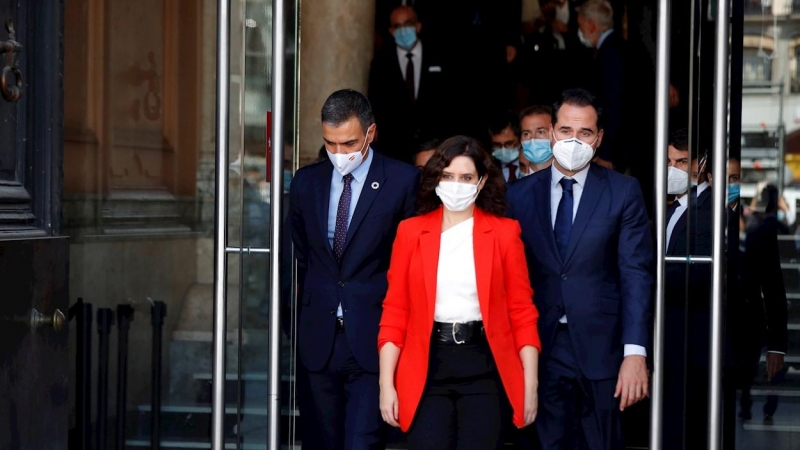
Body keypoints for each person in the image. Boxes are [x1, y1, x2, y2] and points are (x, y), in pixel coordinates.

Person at [507, 88, 653, 450]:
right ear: (552, 132)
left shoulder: (624, 192)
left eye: (585, 133)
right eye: (566, 131)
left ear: (599, 138)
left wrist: (635, 353)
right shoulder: (518, 195)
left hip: (603, 348)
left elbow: (636, 273)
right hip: (539, 347)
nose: (574, 140)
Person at [377, 135, 541, 449]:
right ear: (436, 179)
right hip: (426, 367)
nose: (456, 185)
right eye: (448, 176)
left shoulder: (505, 234)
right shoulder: (410, 232)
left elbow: (522, 311)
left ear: (481, 182)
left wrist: (529, 383)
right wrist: (387, 384)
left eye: (466, 178)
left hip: (484, 366)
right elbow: (395, 311)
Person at [288, 89, 419, 450]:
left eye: (348, 143)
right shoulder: (306, 182)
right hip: (319, 339)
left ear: (370, 133)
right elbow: (302, 252)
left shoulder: (402, 181)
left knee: (362, 441)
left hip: (373, 337)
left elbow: (407, 262)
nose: (339, 154)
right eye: (330, 144)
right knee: (321, 441)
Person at [661, 128, 713, 449]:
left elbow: (697, 276)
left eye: (681, 162)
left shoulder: (708, 211)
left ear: (702, 163)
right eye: (668, 161)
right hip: (672, 336)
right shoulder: (670, 208)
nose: (673, 170)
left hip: (692, 338)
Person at [368, 6, 453, 163]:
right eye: (397, 26)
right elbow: (376, 103)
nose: (403, 30)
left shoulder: (439, 57)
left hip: (436, 143)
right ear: (391, 31)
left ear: (418, 26)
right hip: (395, 147)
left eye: (407, 24)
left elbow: (450, 98)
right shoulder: (381, 63)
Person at [488, 110, 523, 182]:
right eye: (497, 145)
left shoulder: (531, 163)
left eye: (509, 143)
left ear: (520, 139)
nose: (503, 149)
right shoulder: (489, 169)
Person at [519, 104, 555, 174]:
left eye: (540, 132)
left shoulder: (567, 180)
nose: (533, 139)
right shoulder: (516, 182)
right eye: (526, 133)